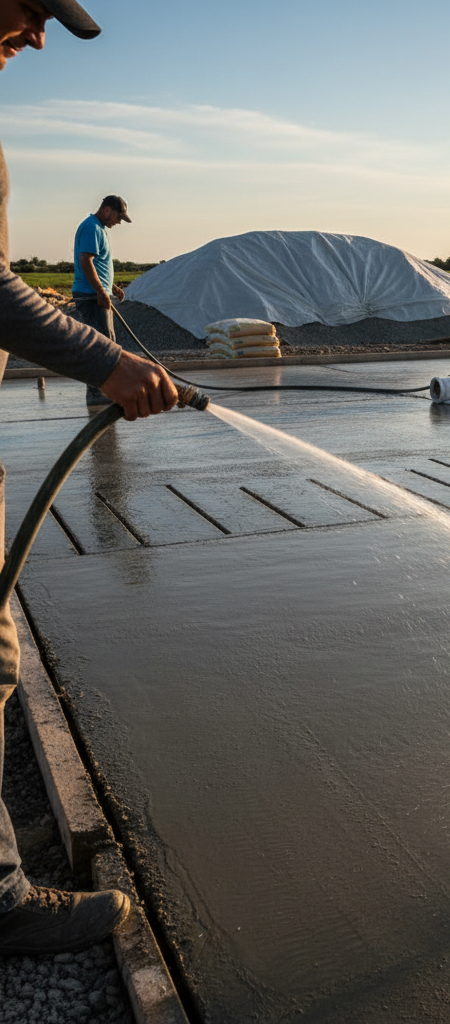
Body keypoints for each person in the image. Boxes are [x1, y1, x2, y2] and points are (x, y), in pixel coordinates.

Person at [0, 0, 178, 955]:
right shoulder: (83, 230)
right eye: (29, 9)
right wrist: (107, 362)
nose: (33, 35)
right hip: (72, 314)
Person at [72, 194, 131, 405]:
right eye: (118, 217)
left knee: (107, 343)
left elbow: (98, 265)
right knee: (101, 345)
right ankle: (98, 394)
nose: (118, 222)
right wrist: (100, 291)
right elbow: (86, 261)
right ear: (107, 210)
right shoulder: (92, 227)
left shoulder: (100, 229)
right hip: (90, 295)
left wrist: (111, 288)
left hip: (95, 293)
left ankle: (104, 390)